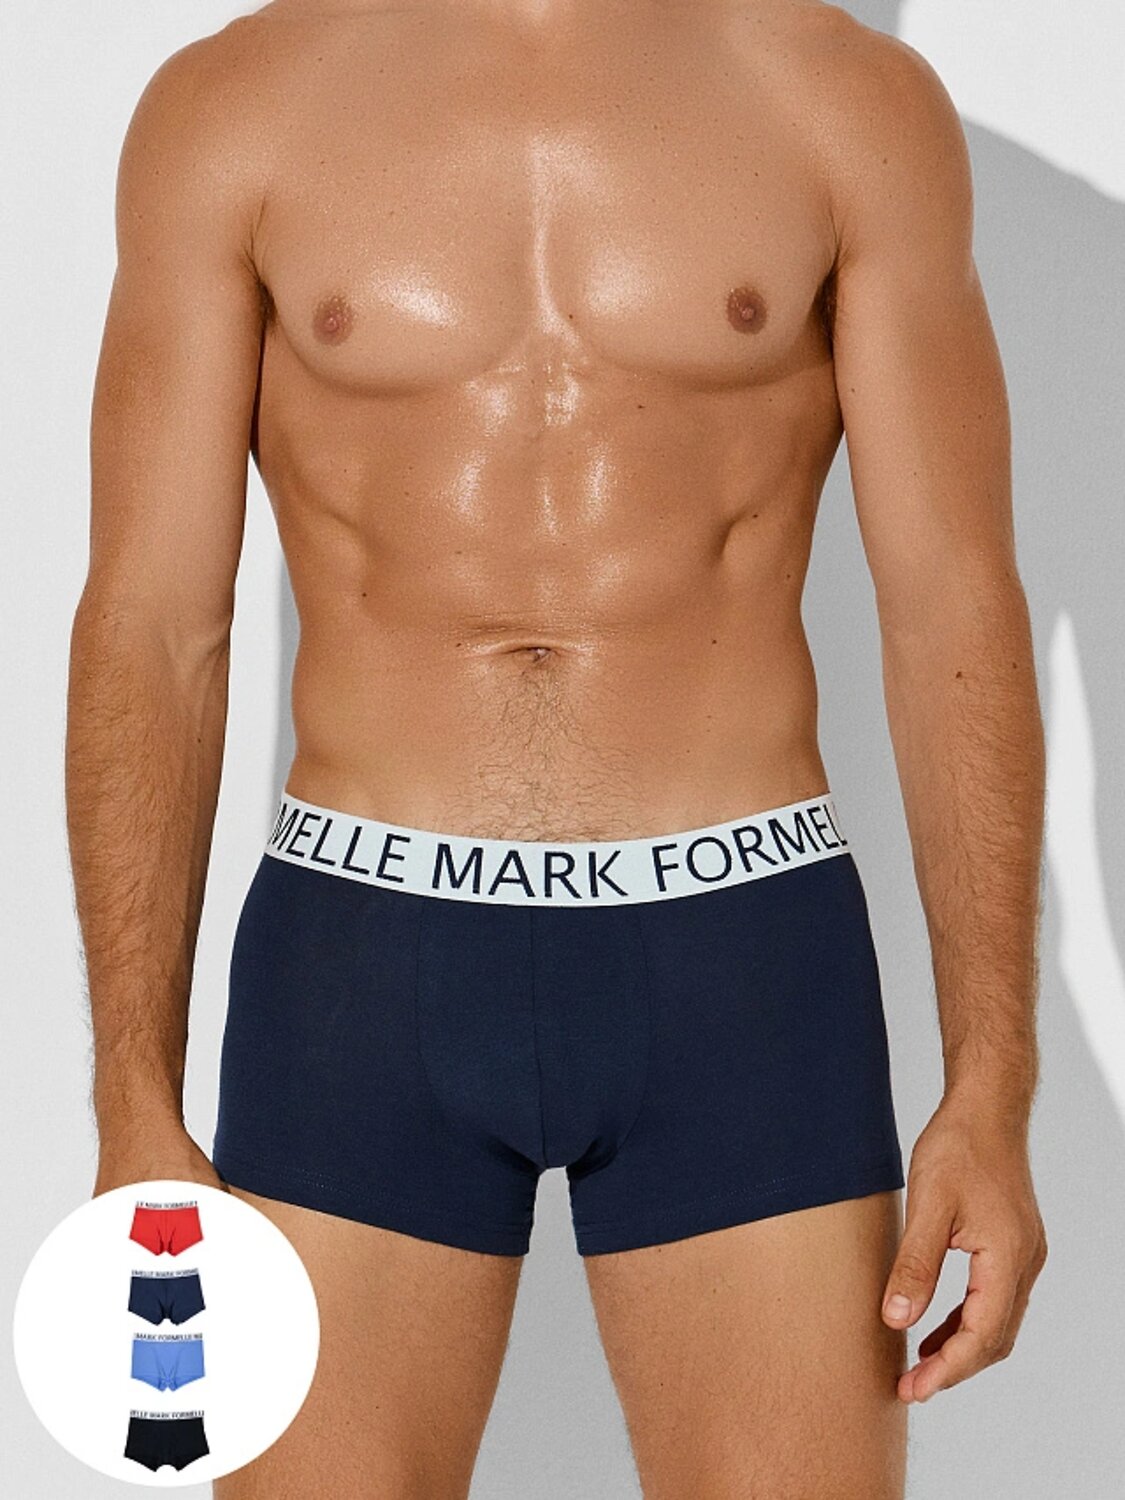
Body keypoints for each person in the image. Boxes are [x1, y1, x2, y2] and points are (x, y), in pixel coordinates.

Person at [66, 1, 1048, 1494]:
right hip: (361, 955)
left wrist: (993, 1081)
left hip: (739, 952)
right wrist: (129, 1092)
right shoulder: (234, 108)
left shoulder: (849, 105)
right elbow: (151, 623)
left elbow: (950, 608)